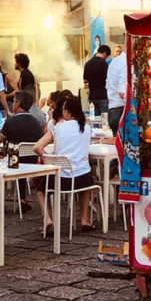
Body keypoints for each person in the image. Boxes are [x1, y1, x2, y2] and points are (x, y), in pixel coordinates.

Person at [33, 95, 96, 233]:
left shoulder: (58, 128)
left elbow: (37, 147)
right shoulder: (86, 127)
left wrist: (49, 158)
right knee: (85, 178)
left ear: (67, 111)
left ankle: (47, 219)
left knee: (39, 187)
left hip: (62, 180)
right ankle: (84, 219)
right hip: (83, 179)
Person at [106, 48, 127, 137]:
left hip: (113, 106)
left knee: (116, 141)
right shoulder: (124, 63)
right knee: (122, 143)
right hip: (121, 108)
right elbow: (122, 92)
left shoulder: (115, 61)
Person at [84, 45, 111, 117]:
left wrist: (89, 89)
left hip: (92, 96)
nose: (106, 58)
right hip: (102, 95)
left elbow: (85, 80)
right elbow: (108, 79)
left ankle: (95, 128)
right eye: (107, 56)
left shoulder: (88, 63)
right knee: (104, 119)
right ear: (105, 53)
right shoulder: (104, 64)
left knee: (94, 119)